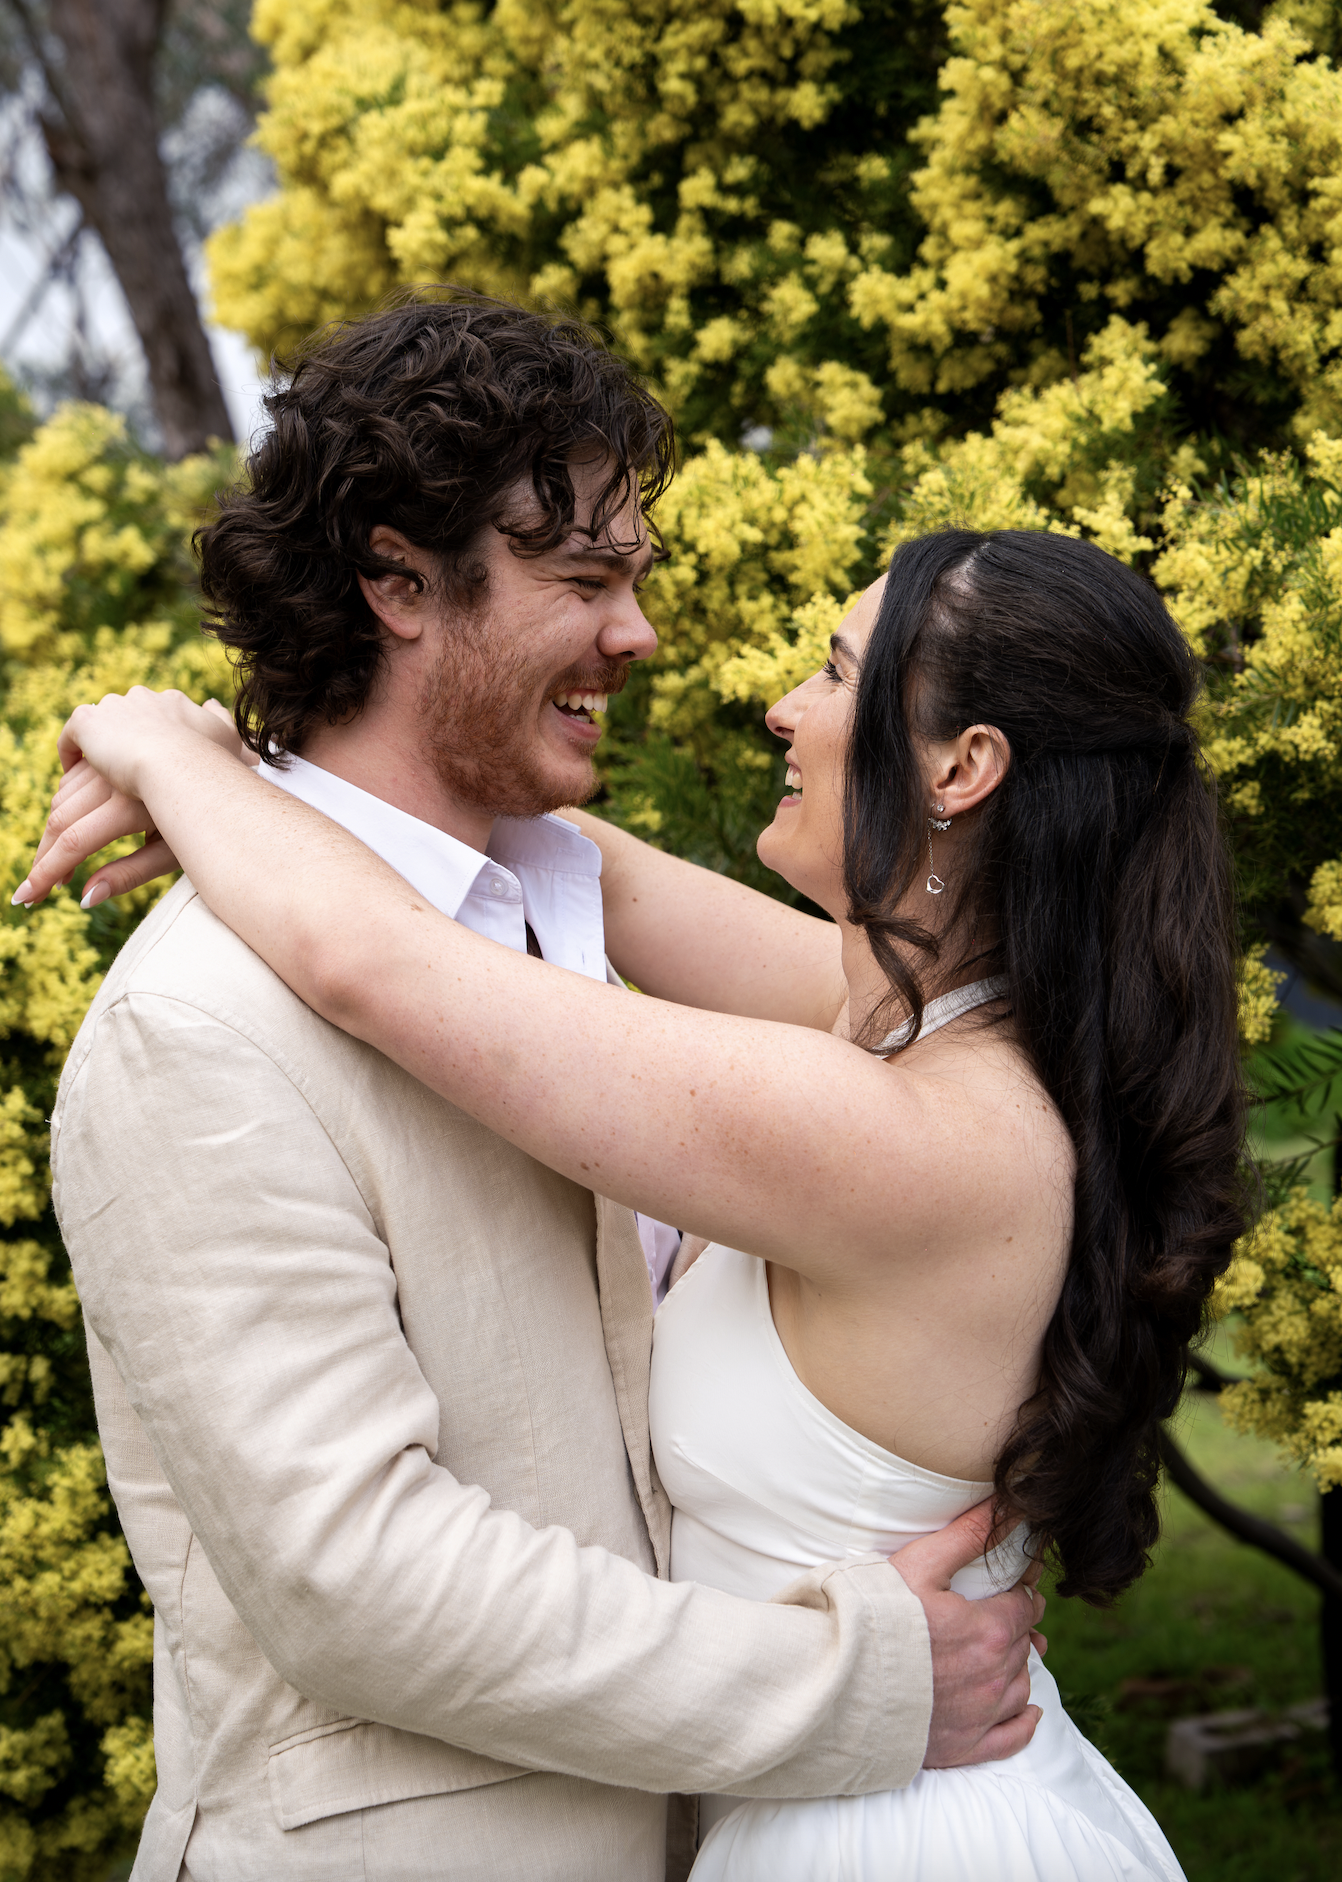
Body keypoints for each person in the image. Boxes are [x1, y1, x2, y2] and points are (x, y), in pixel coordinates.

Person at [25, 518, 1246, 1880]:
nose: (782, 705)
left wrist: (165, 751)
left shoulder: (910, 1133)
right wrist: (276, 771)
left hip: (897, 1829)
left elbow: (375, 957)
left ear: (961, 767)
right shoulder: (948, 1026)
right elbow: (519, 844)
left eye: (837, 673)